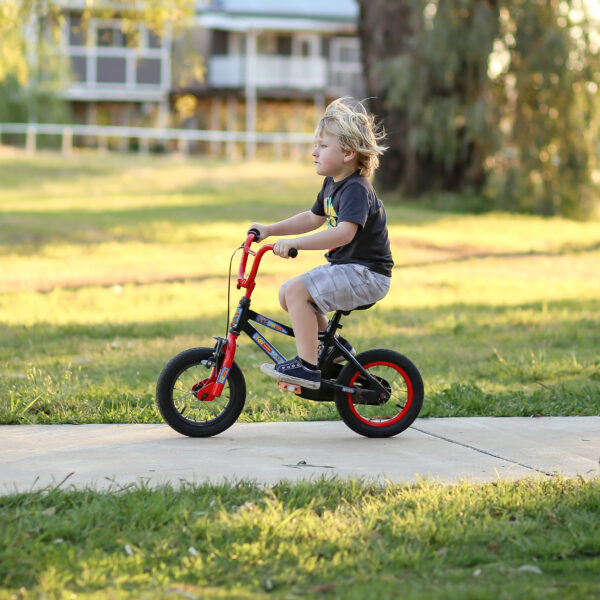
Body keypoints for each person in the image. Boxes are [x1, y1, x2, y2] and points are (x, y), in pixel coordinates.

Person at [249, 97, 393, 390]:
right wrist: (270, 230)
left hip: (367, 274)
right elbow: (312, 218)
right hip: (351, 270)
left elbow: (343, 234)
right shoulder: (331, 184)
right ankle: (335, 350)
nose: (314, 152)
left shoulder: (355, 188)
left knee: (298, 291)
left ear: (349, 153)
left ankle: (307, 367)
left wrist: (296, 245)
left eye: (323, 146)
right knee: (288, 293)